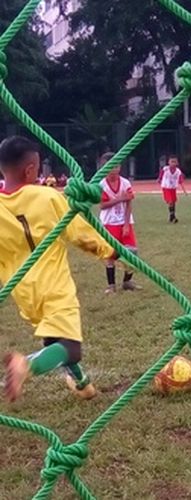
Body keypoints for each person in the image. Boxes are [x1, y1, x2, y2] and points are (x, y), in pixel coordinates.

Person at [0, 136, 114, 402]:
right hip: (53, 286)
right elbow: (81, 234)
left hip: (22, 292)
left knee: (55, 341)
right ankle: (25, 365)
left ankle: (83, 384)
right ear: (30, 169)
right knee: (71, 348)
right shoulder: (47, 197)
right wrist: (112, 251)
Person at [99, 153, 140, 294]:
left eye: (116, 165)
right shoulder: (101, 184)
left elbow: (129, 203)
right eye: (110, 166)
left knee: (132, 253)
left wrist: (127, 224)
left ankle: (127, 282)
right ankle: (111, 286)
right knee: (110, 255)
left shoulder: (125, 183)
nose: (114, 169)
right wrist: (120, 198)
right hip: (109, 223)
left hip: (124, 222)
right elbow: (102, 205)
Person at [157, 155, 185, 223]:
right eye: (172, 162)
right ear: (169, 162)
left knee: (173, 201)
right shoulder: (165, 169)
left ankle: (172, 216)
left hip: (173, 188)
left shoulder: (178, 171)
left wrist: (181, 180)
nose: (173, 163)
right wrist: (159, 179)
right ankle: (173, 216)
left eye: (175, 162)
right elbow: (161, 174)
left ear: (177, 163)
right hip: (166, 187)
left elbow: (181, 177)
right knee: (170, 201)